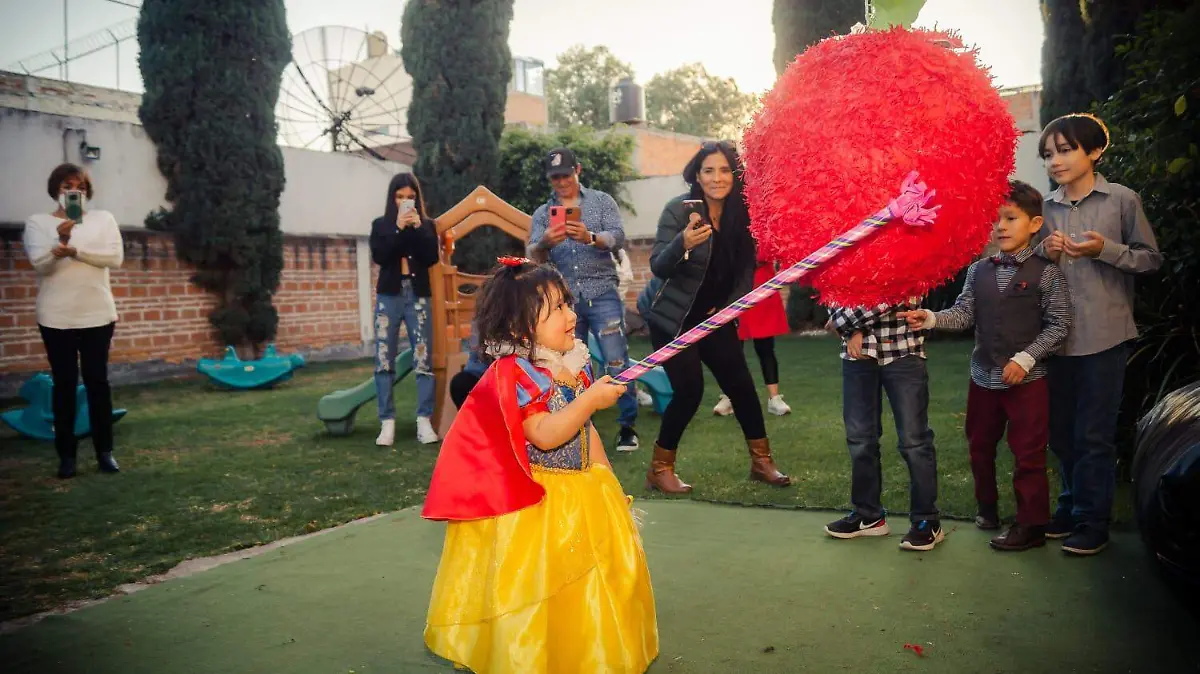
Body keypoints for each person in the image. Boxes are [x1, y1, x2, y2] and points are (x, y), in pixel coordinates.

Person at [421, 258, 658, 674]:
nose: (571, 316)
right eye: (557, 310)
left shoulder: (575, 362)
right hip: (542, 503)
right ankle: (540, 657)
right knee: (543, 585)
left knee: (589, 580)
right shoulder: (521, 376)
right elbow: (545, 434)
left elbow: (585, 432)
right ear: (519, 329)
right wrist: (590, 401)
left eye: (568, 304)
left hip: (585, 489)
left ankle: (584, 652)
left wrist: (608, 479)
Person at [899, 181, 1073, 552]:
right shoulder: (978, 271)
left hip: (1028, 380)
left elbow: (1059, 325)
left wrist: (1026, 359)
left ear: (1035, 223)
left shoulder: (1047, 273)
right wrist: (930, 318)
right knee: (979, 445)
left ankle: (1031, 525)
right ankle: (987, 507)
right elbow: (963, 314)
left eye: (1011, 218)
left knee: (1028, 452)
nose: (1001, 227)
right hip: (983, 378)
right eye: (995, 221)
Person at [1035, 113, 1161, 556]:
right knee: (1063, 435)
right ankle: (1070, 508)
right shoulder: (1045, 209)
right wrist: (1042, 251)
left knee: (1094, 434)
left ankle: (1094, 521)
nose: (1055, 161)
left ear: (1094, 151)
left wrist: (1103, 250)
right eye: (1048, 154)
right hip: (1056, 339)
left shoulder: (1122, 200)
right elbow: (1032, 271)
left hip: (1105, 337)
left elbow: (1150, 259)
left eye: (1066, 150)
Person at [642, 141, 791, 493]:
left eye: (724, 170)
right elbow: (658, 267)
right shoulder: (679, 211)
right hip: (673, 317)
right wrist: (682, 243)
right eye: (708, 170)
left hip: (713, 317)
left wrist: (728, 309)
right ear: (697, 174)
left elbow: (743, 272)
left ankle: (762, 462)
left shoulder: (743, 216)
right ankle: (659, 469)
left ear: (735, 175)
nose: (717, 177)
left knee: (740, 385)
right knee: (689, 390)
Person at [527, 147, 640, 452]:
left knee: (616, 359)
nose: (561, 182)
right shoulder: (542, 214)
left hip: (601, 291)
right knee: (565, 363)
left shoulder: (601, 201)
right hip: (565, 301)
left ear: (577, 170)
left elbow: (618, 237)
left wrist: (590, 237)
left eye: (565, 174)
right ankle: (573, 424)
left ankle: (628, 425)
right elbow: (531, 254)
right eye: (555, 177)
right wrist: (545, 243)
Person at [22, 163, 124, 479]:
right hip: (56, 316)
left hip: (97, 313)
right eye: (68, 185)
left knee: (97, 383)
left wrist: (76, 250)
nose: (74, 190)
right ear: (57, 189)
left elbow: (115, 259)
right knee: (64, 385)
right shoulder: (37, 223)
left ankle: (105, 453)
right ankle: (66, 457)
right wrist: (59, 246)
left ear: (86, 190)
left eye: (79, 185)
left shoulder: (103, 219)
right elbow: (41, 266)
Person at [824, 299, 943, 551]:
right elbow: (830, 294)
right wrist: (852, 331)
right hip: (857, 356)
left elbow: (890, 298)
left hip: (902, 354)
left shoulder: (905, 259)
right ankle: (868, 516)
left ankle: (926, 520)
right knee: (859, 439)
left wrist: (845, 325)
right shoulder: (844, 258)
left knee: (914, 440)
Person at [369, 172, 440, 446]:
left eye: (410, 197)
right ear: (392, 198)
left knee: (423, 359)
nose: (405, 201)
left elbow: (431, 257)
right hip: (390, 295)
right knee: (384, 358)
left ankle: (424, 421)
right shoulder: (381, 225)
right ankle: (387, 423)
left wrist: (419, 227)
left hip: (418, 294)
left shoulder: (426, 226)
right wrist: (398, 228)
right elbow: (380, 256)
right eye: (400, 197)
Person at [713, 257, 793, 417]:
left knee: (766, 347)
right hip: (734, 288)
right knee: (733, 348)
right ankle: (729, 397)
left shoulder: (765, 232)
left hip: (762, 287)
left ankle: (774, 398)